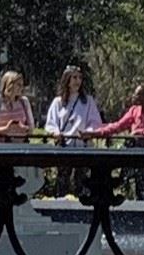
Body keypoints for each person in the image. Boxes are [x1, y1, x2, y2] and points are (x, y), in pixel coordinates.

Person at [88, 82, 144, 199]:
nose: (134, 96)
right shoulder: (134, 110)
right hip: (138, 156)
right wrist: (94, 133)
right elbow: (117, 126)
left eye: (138, 94)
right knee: (139, 187)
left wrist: (140, 132)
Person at [44, 65, 102, 195]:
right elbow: (51, 123)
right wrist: (55, 132)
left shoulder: (88, 101)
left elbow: (95, 122)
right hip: (65, 145)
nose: (77, 81)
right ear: (67, 80)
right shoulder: (58, 102)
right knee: (63, 178)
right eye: (74, 77)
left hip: (83, 145)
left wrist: (88, 131)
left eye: (80, 78)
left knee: (81, 180)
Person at [0, 70, 33, 142]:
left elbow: (31, 129)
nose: (21, 88)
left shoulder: (24, 102)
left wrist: (23, 128)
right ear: (9, 85)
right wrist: (6, 129)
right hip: (0, 147)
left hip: (21, 146)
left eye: (22, 85)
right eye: (18, 85)